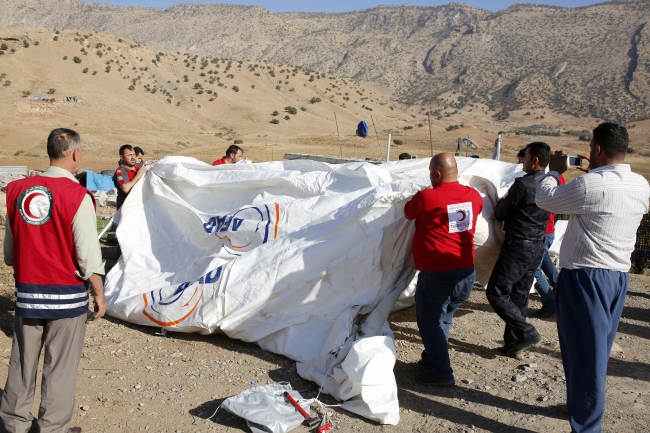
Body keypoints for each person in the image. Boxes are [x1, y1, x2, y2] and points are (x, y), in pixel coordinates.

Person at [536, 123, 650, 433]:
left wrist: (554, 171)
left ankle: (586, 426)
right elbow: (604, 197)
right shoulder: (641, 184)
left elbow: (545, 199)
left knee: (585, 356)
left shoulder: (589, 186)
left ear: (596, 149)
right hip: (617, 278)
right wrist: (593, 173)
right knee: (591, 351)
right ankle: (579, 407)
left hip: (585, 278)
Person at [0, 128, 107, 433]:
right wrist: (99, 293)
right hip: (67, 298)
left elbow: (9, 252)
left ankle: (13, 425)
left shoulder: (17, 190)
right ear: (75, 154)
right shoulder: (77, 195)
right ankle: (52, 428)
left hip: (27, 293)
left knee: (21, 364)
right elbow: (88, 256)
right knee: (59, 369)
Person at [404, 153, 484, 386]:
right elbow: (475, 213)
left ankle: (441, 373)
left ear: (436, 174)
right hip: (466, 273)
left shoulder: (426, 197)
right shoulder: (473, 195)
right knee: (444, 319)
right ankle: (432, 359)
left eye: (431, 172)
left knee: (429, 323)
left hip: (437, 274)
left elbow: (408, 212)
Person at [486, 142, 551, 359]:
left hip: (519, 244)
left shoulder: (523, 184)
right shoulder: (550, 184)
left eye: (526, 156)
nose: (522, 160)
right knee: (520, 294)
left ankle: (526, 331)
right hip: (537, 245)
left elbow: (501, 213)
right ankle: (514, 343)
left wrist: (502, 200)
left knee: (496, 291)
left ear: (535, 160)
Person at [531, 173, 565, 319]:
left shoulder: (545, 179)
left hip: (540, 232)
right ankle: (561, 290)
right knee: (545, 261)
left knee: (533, 269)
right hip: (549, 230)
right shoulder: (559, 178)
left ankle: (550, 304)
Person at [113, 144, 148, 210]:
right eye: (129, 155)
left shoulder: (138, 167)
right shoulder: (120, 171)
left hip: (139, 207)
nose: (133, 157)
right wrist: (138, 175)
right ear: (121, 157)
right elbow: (125, 189)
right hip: (126, 208)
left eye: (134, 154)